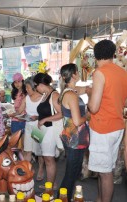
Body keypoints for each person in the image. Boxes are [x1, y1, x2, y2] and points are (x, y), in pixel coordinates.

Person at [87, 39, 127, 202]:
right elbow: (124, 102)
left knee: (105, 173)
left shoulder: (99, 73)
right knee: (105, 168)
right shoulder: (122, 72)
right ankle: (99, 198)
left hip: (102, 127)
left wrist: (89, 94)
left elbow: (94, 107)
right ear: (113, 54)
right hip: (117, 126)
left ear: (95, 55)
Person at [58, 63, 90, 201]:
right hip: (74, 139)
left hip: (73, 138)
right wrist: (88, 115)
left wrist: (90, 89)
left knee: (73, 173)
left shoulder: (70, 90)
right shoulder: (71, 94)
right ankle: (62, 199)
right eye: (78, 71)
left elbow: (86, 89)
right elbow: (77, 121)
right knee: (71, 175)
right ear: (74, 75)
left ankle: (65, 198)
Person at [11, 76, 44, 180]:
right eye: (26, 88)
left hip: (38, 127)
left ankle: (40, 170)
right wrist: (13, 114)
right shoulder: (26, 98)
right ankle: (26, 170)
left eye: (28, 87)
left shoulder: (42, 98)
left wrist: (38, 117)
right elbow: (20, 111)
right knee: (27, 149)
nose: (26, 90)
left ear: (34, 86)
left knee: (39, 151)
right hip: (29, 126)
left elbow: (46, 114)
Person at [34, 72, 62, 188]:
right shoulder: (45, 94)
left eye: (36, 86)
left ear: (40, 84)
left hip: (50, 131)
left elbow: (62, 113)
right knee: (46, 158)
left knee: (49, 159)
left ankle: (49, 186)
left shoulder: (54, 95)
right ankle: (51, 183)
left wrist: (45, 119)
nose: (36, 89)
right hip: (42, 130)